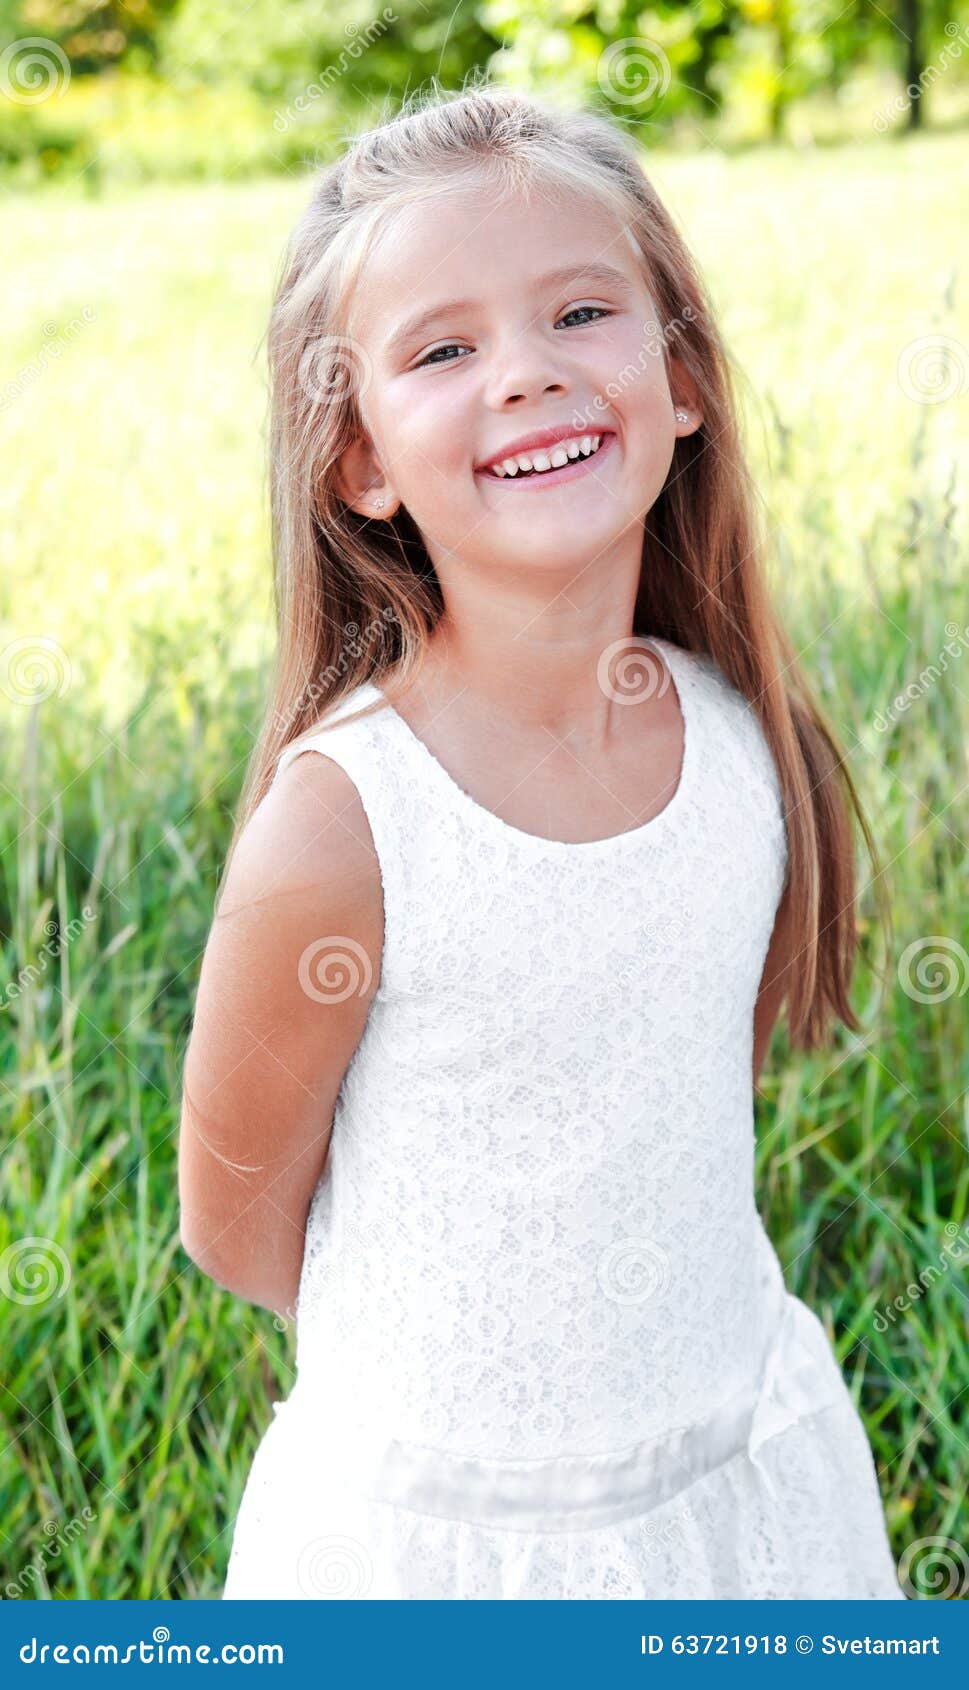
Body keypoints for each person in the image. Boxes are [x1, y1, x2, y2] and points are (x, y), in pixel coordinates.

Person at [178, 80, 904, 1600]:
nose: (526, 375)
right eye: (442, 349)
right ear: (358, 459)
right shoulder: (347, 824)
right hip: (446, 1548)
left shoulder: (730, 733)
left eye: (581, 313)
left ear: (682, 376)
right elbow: (241, 1221)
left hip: (736, 1485)